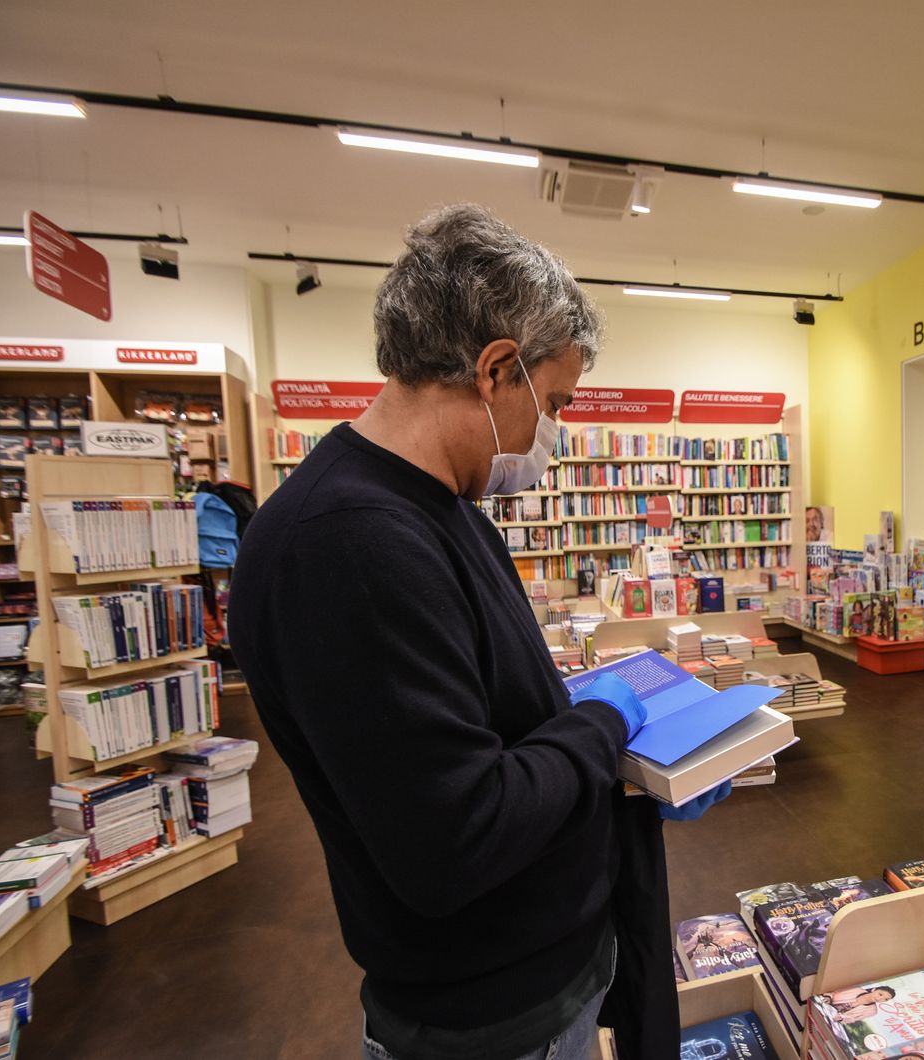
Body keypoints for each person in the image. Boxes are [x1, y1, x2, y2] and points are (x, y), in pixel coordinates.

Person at [230, 204, 728, 1060]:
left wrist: (645, 769)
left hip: (543, 970)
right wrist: (607, 722)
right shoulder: (346, 544)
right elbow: (454, 838)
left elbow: (475, 718)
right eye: (558, 401)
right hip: (489, 1018)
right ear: (498, 370)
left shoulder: (443, 505)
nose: (556, 436)